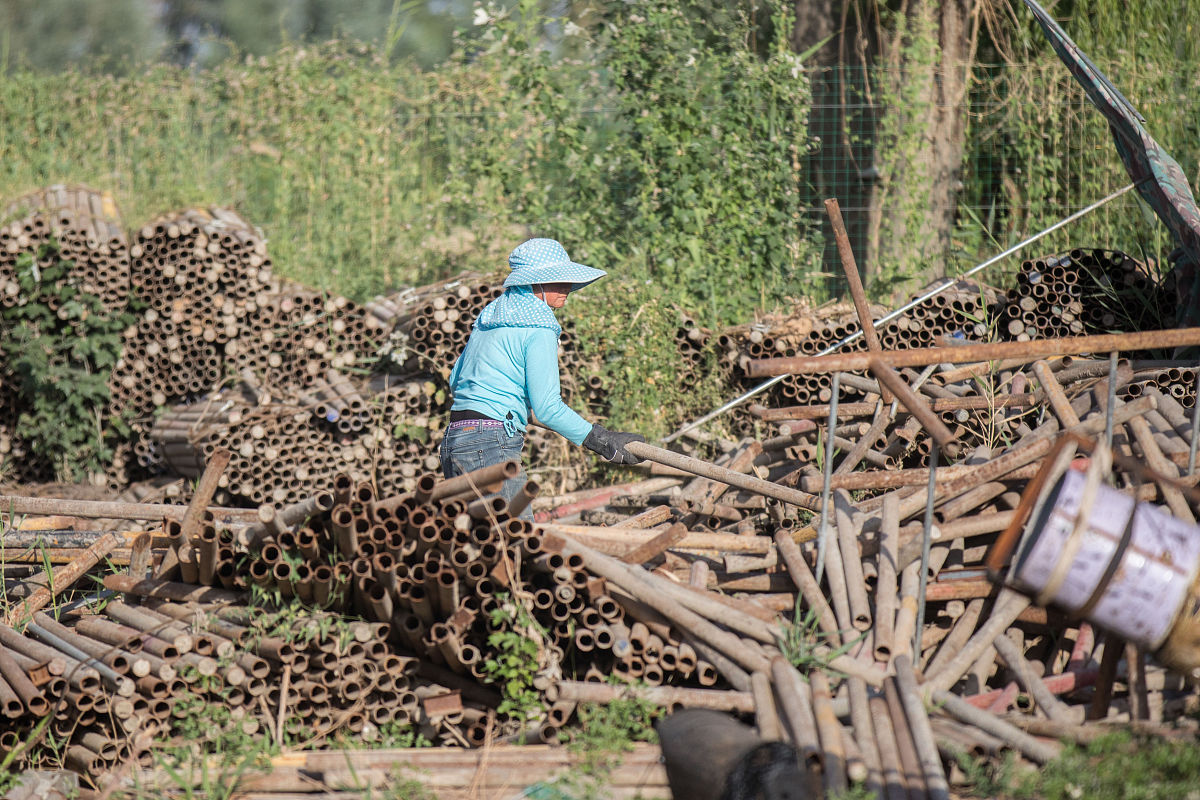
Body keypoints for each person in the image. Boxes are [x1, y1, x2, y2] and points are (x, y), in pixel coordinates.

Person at [440, 238, 646, 517]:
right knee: (517, 542)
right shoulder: (538, 326)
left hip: (454, 440)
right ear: (534, 284)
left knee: (480, 547)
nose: (567, 287)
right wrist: (603, 441)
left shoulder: (490, 318)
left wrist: (513, 406)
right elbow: (548, 408)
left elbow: (456, 380)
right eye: (556, 280)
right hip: (489, 445)